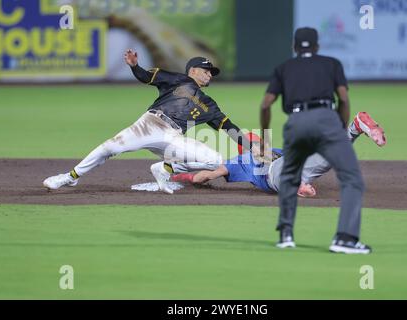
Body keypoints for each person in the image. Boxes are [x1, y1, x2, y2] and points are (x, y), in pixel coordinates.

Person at [43, 50, 257, 194]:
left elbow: (229, 128)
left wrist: (252, 147)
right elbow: (146, 76)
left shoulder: (209, 104)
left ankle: (164, 169)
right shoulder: (178, 80)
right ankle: (71, 176)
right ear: (192, 71)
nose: (210, 74)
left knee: (215, 160)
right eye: (206, 70)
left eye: (211, 72)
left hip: (172, 136)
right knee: (110, 147)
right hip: (150, 124)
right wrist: (135, 66)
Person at [260, 27, 373, 254]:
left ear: (294, 47)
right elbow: (343, 98)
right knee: (351, 178)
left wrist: (264, 136)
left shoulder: (284, 68)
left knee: (290, 178)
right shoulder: (331, 63)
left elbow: (265, 104)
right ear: (317, 46)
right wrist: (340, 128)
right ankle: (345, 238)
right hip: (326, 118)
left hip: (296, 121)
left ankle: (286, 235)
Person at [172, 113, 386, 196]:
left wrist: (187, 178)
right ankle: (353, 129)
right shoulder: (272, 151)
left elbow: (208, 175)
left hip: (278, 174)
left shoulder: (240, 160)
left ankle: (298, 185)